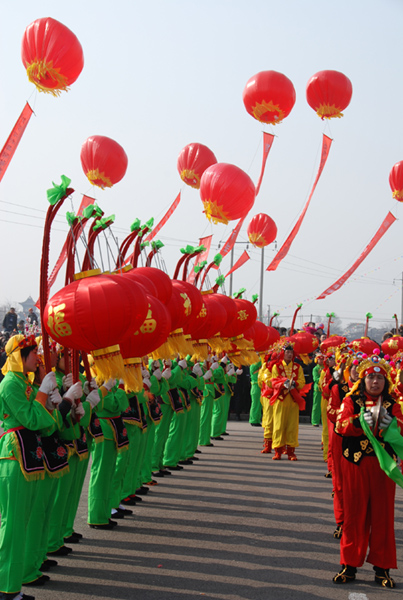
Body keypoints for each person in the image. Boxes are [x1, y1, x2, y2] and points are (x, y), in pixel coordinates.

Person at [333, 351, 403, 587]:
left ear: (386, 382)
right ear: (363, 380)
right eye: (371, 378)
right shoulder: (351, 401)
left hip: (384, 468)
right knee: (354, 516)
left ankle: (382, 568)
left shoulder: (393, 404)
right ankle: (349, 565)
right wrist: (358, 421)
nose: (375, 382)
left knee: (383, 517)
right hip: (356, 464)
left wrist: (392, 425)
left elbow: (402, 431)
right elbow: (340, 426)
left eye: (380, 378)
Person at [270, 344, 306, 460]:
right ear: (283, 354)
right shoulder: (277, 366)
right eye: (287, 353)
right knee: (278, 425)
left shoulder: (298, 367)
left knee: (292, 426)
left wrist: (295, 384)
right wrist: (283, 384)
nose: (289, 355)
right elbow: (274, 381)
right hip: (281, 399)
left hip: (293, 399)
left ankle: (291, 451)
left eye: (291, 353)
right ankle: (278, 450)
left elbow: (302, 380)